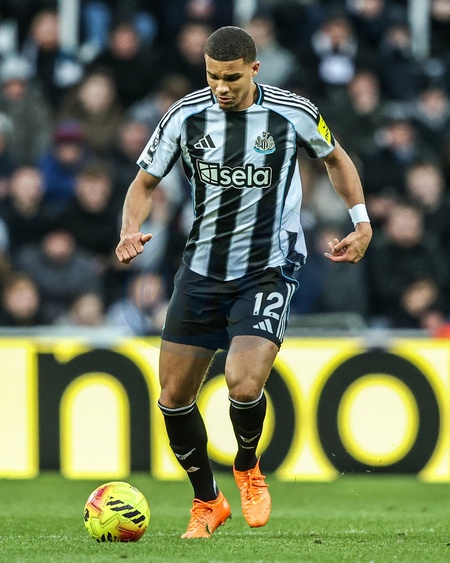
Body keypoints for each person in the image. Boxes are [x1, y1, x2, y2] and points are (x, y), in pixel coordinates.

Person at [115, 26, 372, 539]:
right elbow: (144, 182)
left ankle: (248, 466)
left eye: (231, 77)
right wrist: (128, 229)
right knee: (173, 396)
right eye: (213, 76)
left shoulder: (292, 112)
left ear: (254, 69)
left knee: (243, 382)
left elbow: (335, 158)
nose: (221, 87)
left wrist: (361, 222)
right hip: (201, 270)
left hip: (267, 268)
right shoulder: (184, 116)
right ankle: (207, 501)